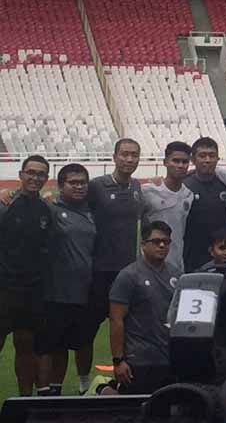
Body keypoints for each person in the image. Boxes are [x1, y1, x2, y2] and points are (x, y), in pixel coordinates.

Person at [36, 164, 95, 396]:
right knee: (51, 345)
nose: (79, 187)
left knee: (78, 342)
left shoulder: (91, 211)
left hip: (84, 291)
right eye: (73, 182)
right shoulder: (50, 208)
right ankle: (46, 394)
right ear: (61, 186)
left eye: (82, 182)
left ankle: (72, 389)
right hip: (55, 291)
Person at [104, 221, 181, 395]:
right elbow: (116, 319)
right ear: (143, 245)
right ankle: (107, 391)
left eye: (166, 241)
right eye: (156, 241)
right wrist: (118, 361)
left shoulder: (177, 275)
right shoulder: (128, 276)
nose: (162, 245)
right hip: (139, 359)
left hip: (169, 358)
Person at [0, 155, 54, 396]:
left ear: (46, 178)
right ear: (20, 175)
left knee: (25, 348)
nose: (35, 177)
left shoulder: (45, 209)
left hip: (32, 291)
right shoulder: (4, 205)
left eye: (41, 174)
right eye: (30, 172)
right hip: (3, 289)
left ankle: (24, 402)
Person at [86, 138, 144, 356]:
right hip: (99, 269)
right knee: (89, 328)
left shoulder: (137, 187)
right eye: (125, 154)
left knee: (128, 326)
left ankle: (125, 374)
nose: (129, 159)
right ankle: (83, 384)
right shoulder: (96, 186)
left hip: (128, 271)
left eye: (134, 155)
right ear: (114, 157)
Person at [182, 137, 226, 273]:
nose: (207, 160)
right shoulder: (184, 185)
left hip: (221, 254)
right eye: (202, 156)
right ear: (193, 159)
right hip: (191, 254)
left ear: (218, 158)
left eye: (212, 156)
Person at [142, 141, 195, 271]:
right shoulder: (148, 191)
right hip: (148, 263)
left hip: (176, 263)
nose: (180, 165)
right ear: (165, 162)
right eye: (176, 161)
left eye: (184, 162)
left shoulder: (189, 195)